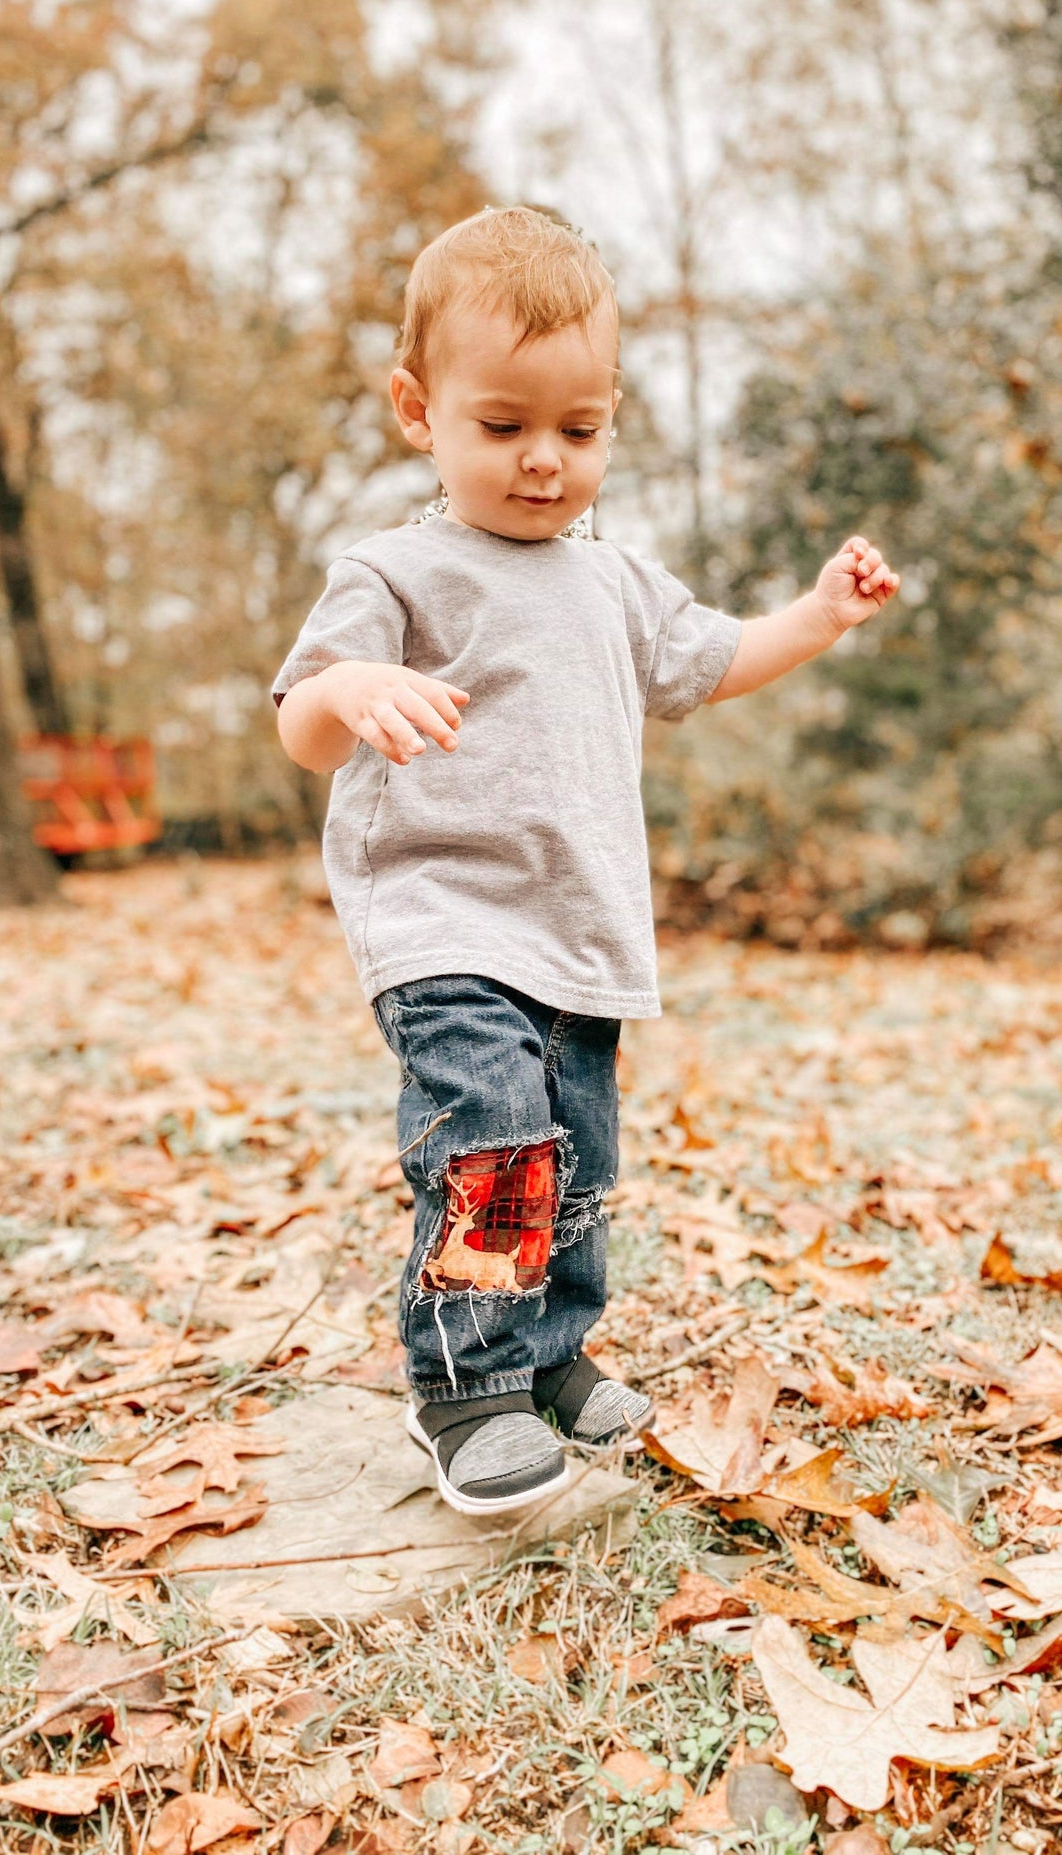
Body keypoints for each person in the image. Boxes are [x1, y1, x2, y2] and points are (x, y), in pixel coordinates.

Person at [273, 206, 898, 1515]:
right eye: (502, 427)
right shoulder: (392, 570)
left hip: (581, 932)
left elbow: (717, 660)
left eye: (580, 428)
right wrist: (361, 689)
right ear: (416, 409)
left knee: (575, 1165)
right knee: (493, 1149)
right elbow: (300, 719)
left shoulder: (614, 583)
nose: (544, 460)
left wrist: (821, 616)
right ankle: (463, 1391)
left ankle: (548, 1358)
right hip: (445, 919)